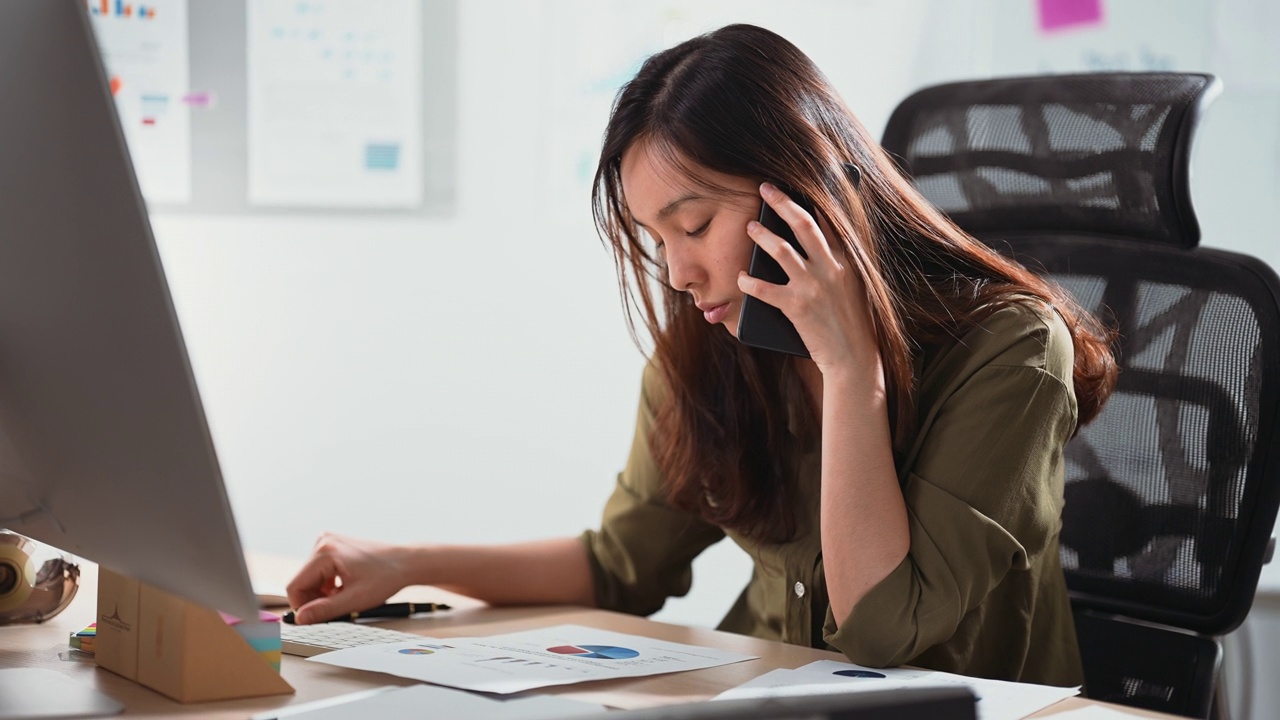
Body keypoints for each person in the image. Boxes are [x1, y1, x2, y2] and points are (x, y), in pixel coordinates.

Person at [286, 24, 1116, 687]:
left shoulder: (1009, 351)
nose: (679, 273)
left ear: (806, 197)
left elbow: (882, 631)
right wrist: (403, 562)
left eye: (694, 226)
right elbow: (619, 567)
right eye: (658, 239)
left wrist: (849, 369)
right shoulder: (714, 346)